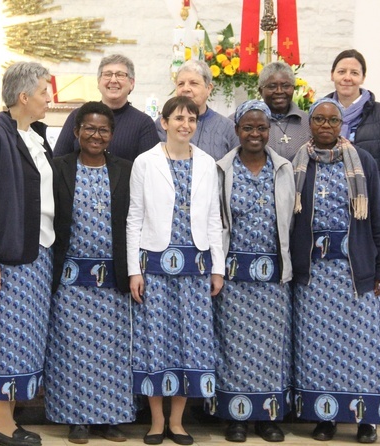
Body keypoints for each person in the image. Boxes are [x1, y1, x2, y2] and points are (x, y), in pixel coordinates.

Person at [290, 98, 380, 444]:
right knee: (318, 348)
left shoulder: (361, 161)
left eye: (332, 121)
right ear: (310, 123)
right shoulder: (298, 163)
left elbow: (378, 217)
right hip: (314, 276)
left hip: (353, 271)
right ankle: (326, 417)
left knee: (361, 346)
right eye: (318, 119)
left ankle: (367, 420)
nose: (325, 125)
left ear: (341, 126)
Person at [128, 96, 224, 446]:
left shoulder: (207, 163)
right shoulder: (145, 162)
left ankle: (178, 422)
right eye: (178, 118)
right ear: (163, 122)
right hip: (154, 265)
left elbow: (214, 219)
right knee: (156, 342)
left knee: (191, 343)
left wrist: (217, 267)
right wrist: (133, 270)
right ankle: (156, 422)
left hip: (195, 268)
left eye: (192, 119)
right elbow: (134, 218)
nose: (185, 124)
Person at [0, 61, 55, 446]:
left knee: (26, 341)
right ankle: (1, 426)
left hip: (38, 255)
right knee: (4, 340)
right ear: (23, 97)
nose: (48, 98)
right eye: (43, 92)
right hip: (9, 258)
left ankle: (10, 421)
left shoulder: (35, 135)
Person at [45, 102, 134, 443]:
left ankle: (110, 419)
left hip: (113, 280)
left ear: (111, 135)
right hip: (70, 280)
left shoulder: (126, 169)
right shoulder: (59, 168)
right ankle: (76, 419)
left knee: (112, 352)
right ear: (76, 132)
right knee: (73, 352)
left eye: (103, 130)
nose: (96, 135)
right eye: (90, 129)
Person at [214, 100, 294, 443]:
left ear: (270, 131)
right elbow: (214, 221)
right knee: (233, 348)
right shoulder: (221, 169)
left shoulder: (285, 168)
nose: (255, 134)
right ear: (237, 131)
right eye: (248, 127)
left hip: (273, 277)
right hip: (233, 277)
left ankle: (267, 417)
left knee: (269, 349)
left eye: (261, 127)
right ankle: (236, 418)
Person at [326, 49, 380, 368]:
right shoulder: (322, 112)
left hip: (373, 218)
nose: (347, 77)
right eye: (342, 71)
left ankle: (372, 366)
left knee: (373, 291)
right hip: (332, 218)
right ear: (332, 75)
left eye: (354, 72)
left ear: (363, 77)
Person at [54, 54, 160, 161]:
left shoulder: (144, 123)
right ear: (98, 82)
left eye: (120, 75)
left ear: (132, 83)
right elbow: (58, 161)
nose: (113, 80)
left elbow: (150, 168)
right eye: (107, 74)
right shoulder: (78, 116)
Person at [156, 60, 238, 161]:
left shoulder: (227, 127)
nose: (185, 89)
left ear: (209, 88)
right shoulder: (163, 123)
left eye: (193, 83)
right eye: (181, 84)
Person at [258, 61, 311, 161]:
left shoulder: (309, 122)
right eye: (272, 86)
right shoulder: (245, 123)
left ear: (293, 88)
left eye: (286, 86)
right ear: (260, 91)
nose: (279, 91)